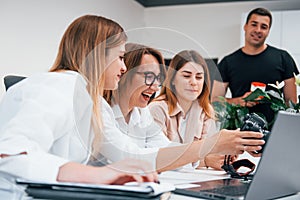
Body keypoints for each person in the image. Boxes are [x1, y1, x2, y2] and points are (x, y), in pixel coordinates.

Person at [0, 15, 158, 186]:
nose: (124, 67)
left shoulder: (92, 100)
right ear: (97, 54)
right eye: (120, 57)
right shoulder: (62, 85)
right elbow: (10, 153)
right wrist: (96, 175)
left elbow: (126, 152)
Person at [98, 43, 265, 173]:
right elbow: (134, 158)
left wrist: (217, 148)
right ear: (123, 73)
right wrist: (211, 146)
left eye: (157, 78)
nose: (155, 86)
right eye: (148, 76)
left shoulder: (140, 114)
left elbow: (168, 153)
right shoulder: (101, 110)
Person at [211, 7, 299, 126]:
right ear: (245, 26)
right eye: (254, 24)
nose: (258, 30)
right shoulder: (227, 62)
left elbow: (291, 103)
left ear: (268, 31)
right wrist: (239, 101)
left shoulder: (283, 58)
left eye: (263, 27)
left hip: (274, 130)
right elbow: (215, 100)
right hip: (239, 130)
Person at [148, 50, 232, 170]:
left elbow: (208, 153)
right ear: (172, 79)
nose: (193, 82)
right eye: (186, 76)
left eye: (199, 77)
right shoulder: (157, 109)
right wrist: (206, 161)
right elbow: (161, 158)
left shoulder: (206, 111)